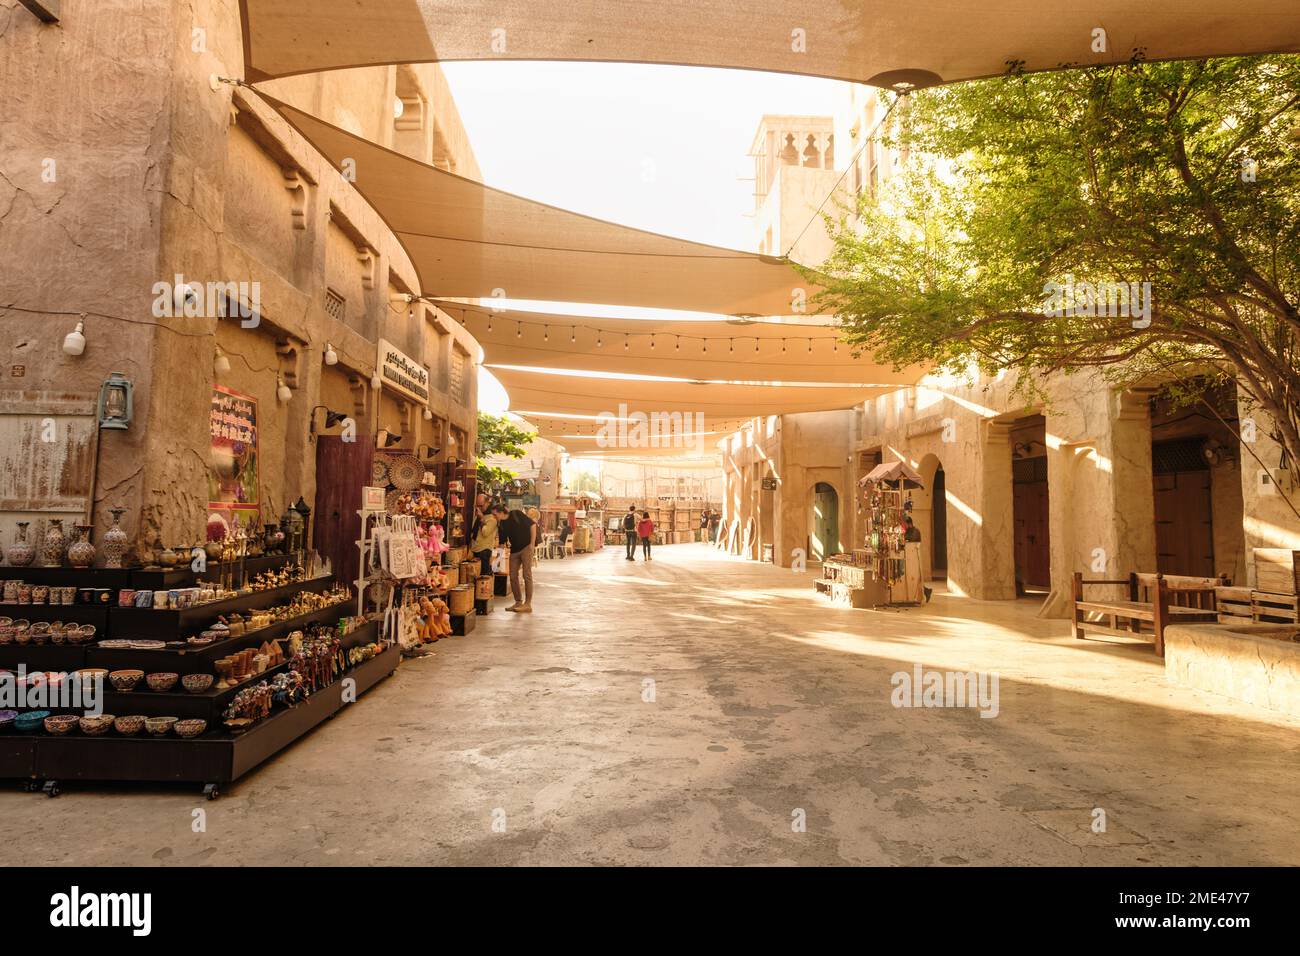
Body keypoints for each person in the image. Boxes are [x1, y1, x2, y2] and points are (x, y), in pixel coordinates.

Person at [493, 502, 537, 612]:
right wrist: (497, 561)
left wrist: (532, 543)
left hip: (526, 547)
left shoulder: (516, 514)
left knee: (526, 575)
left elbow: (532, 525)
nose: (494, 517)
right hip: (514, 551)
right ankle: (518, 602)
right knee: (512, 576)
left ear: (501, 512)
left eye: (495, 515)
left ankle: (528, 604)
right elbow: (502, 544)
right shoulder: (501, 525)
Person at [470, 494, 498, 576]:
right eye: (477, 505)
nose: (478, 508)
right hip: (476, 549)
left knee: (483, 576)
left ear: (487, 503)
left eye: (481, 505)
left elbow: (485, 532)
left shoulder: (492, 518)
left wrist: (482, 519)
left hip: (484, 551)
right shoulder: (480, 515)